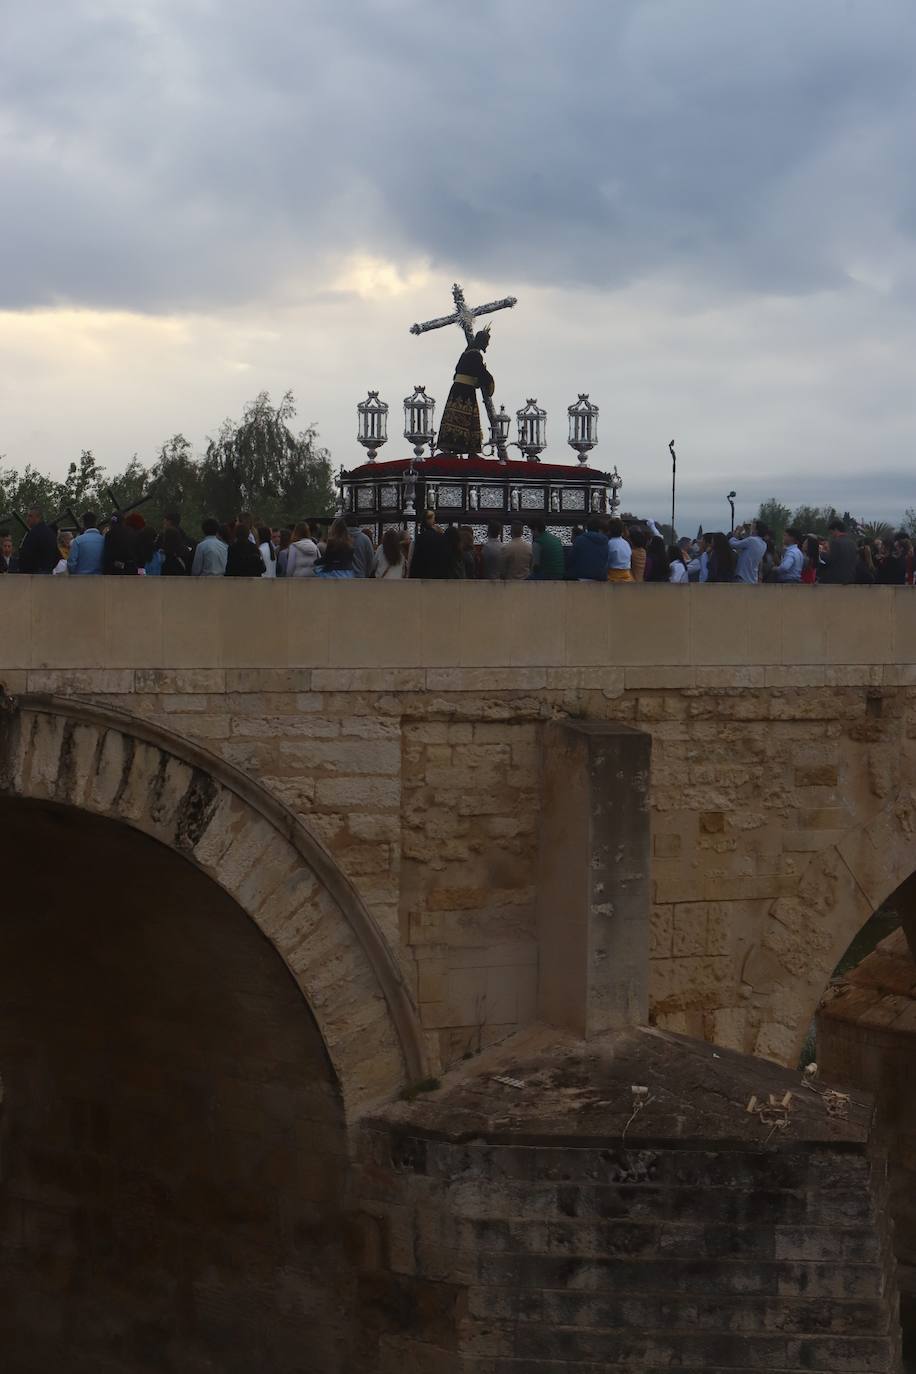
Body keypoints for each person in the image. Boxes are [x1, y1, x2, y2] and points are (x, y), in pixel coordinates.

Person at [437, 326, 495, 456]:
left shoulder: (466, 353)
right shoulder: (475, 355)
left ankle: (456, 449)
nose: (487, 345)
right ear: (482, 342)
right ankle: (467, 450)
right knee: (464, 418)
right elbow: (480, 372)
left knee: (458, 418)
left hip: (459, 390)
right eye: (487, 342)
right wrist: (489, 380)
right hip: (465, 392)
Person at [18, 507, 59, 574]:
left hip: (33, 574)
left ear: (38, 517)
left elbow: (26, 555)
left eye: (30, 516)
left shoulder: (33, 533)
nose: (27, 519)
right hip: (48, 573)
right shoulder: (51, 533)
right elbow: (57, 555)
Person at [570, 516, 611, 581]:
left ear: (587, 528)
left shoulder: (579, 540)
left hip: (581, 577)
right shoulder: (606, 542)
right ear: (600, 530)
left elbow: (572, 558)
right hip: (600, 578)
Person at [818, 518, 858, 585]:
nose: (831, 535)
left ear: (836, 530)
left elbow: (830, 560)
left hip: (836, 580)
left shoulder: (836, 542)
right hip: (850, 579)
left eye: (831, 533)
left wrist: (821, 554)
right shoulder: (852, 543)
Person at [409, 511, 446, 579]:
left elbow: (416, 558)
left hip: (422, 573)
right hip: (436, 573)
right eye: (434, 518)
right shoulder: (439, 536)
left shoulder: (420, 537)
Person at [66, 511, 105, 576]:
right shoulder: (104, 541)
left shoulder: (77, 541)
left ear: (83, 524)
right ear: (95, 523)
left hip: (80, 579)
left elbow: (71, 563)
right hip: (101, 579)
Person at [606, 518, 633, 583]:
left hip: (613, 576)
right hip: (627, 576)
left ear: (609, 531)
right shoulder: (626, 543)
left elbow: (606, 561)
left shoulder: (609, 543)